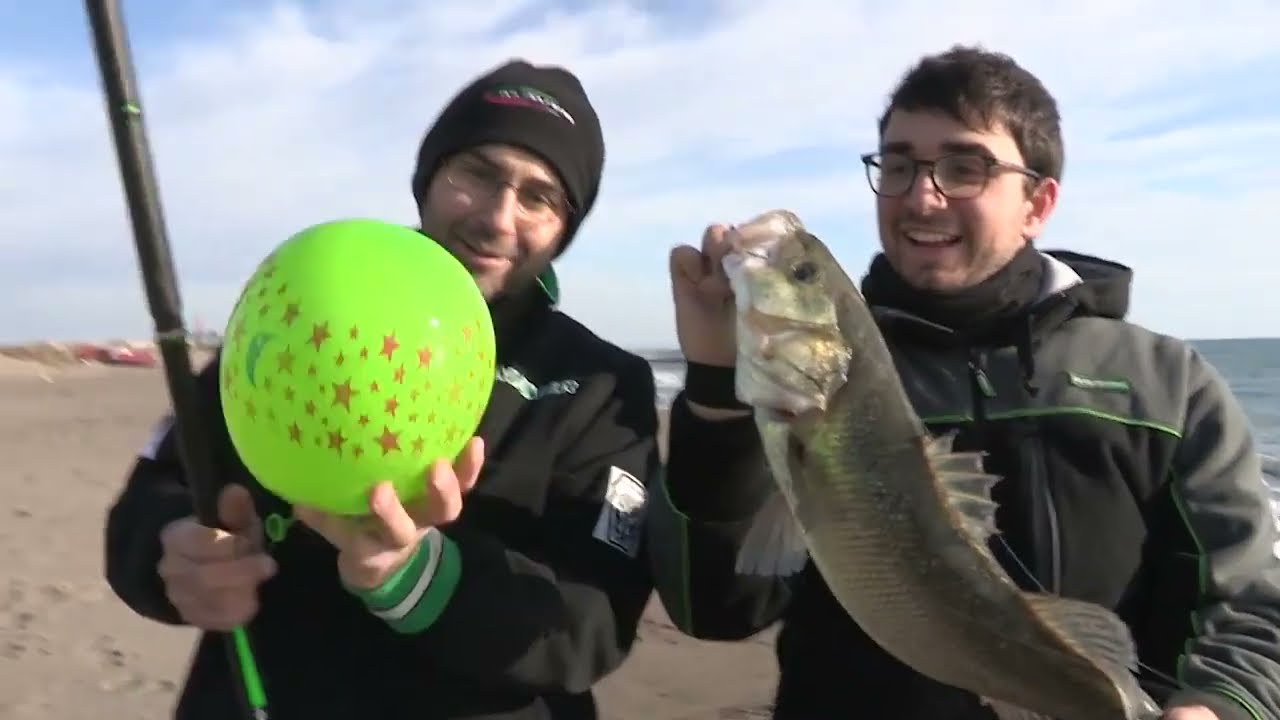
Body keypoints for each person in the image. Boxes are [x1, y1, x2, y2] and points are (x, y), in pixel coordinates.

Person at [649, 45, 1280, 720]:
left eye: (964, 167)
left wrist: (1218, 706)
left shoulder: (1168, 384)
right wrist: (716, 384)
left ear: (1038, 202)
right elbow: (714, 608)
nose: (923, 195)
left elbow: (1253, 605)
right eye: (898, 165)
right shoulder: (810, 392)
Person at [104, 59, 660, 720]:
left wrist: (422, 577)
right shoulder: (299, 310)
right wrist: (171, 550)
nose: (497, 217)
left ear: (564, 227)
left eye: (538, 196)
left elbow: (594, 623)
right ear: (429, 179)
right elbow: (153, 493)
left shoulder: (602, 384)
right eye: (476, 173)